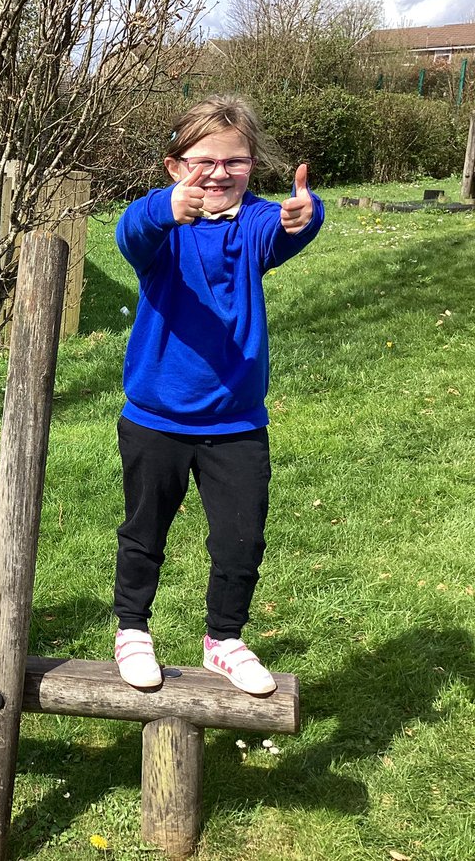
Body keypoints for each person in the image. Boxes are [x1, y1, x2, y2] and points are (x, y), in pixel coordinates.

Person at [111, 95, 323, 695]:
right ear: (175, 165)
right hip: (155, 417)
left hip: (236, 422)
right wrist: (164, 209)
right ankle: (132, 629)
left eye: (236, 161)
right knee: (144, 530)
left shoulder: (255, 224)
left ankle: (224, 640)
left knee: (241, 538)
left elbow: (293, 222)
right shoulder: (161, 233)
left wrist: (305, 213)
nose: (220, 173)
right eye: (204, 162)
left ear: (252, 165)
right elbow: (133, 232)